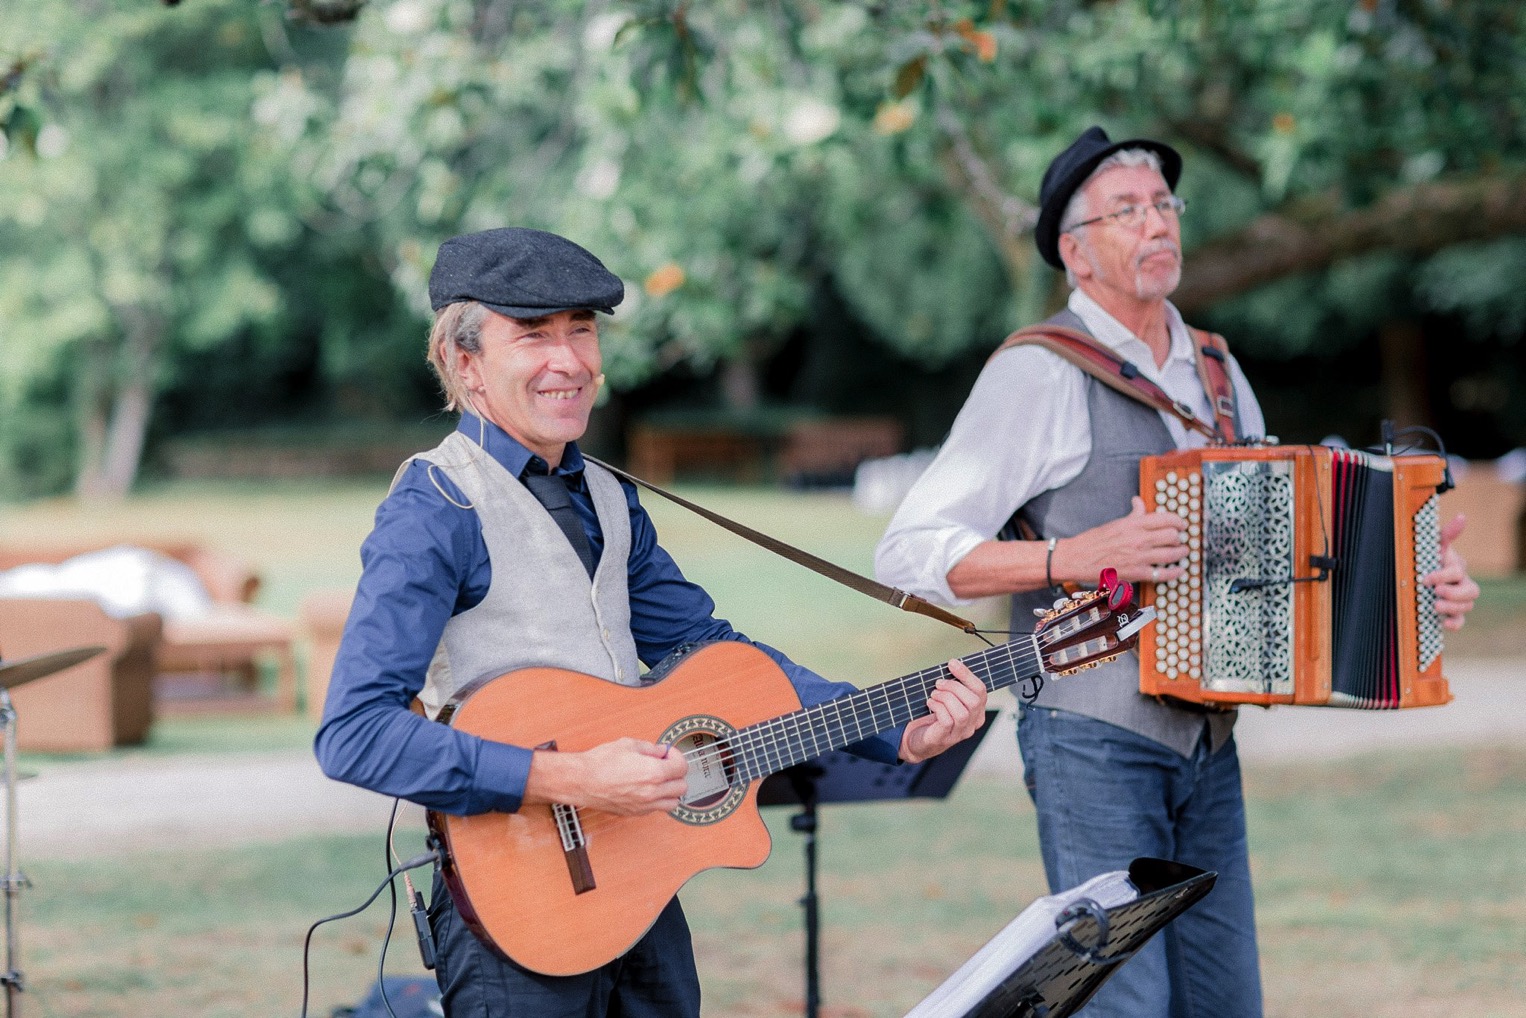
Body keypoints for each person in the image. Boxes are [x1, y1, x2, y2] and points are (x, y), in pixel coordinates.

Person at [874, 126, 1480, 1018]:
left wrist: (1410, 588)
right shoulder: (1038, 373)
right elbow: (908, 550)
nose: (1156, 223)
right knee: (1127, 1006)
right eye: (1127, 210)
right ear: (1075, 253)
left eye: (1164, 205)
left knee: (1225, 1002)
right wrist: (1069, 557)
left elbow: (1281, 548)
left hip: (1208, 743)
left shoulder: (1218, 369)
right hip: (1090, 737)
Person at [315, 227, 988, 1018]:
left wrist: (895, 730)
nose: (569, 360)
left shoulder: (607, 495)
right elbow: (354, 732)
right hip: (516, 909)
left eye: (582, 331)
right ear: (466, 365)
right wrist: (571, 777)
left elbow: (712, 652)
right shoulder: (435, 507)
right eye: (533, 335)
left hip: (636, 877)